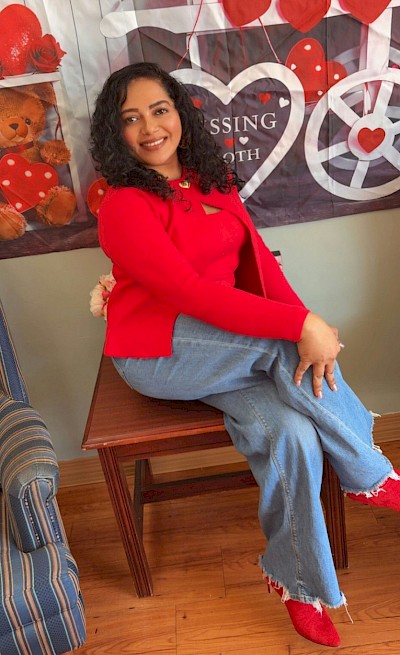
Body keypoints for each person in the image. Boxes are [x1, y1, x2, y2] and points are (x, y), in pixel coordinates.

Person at [90, 62, 400, 648]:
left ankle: (296, 583)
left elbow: (260, 269)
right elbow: (190, 294)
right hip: (157, 352)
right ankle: (370, 473)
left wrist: (306, 320)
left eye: (159, 110)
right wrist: (300, 327)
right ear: (116, 132)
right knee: (283, 342)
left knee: (293, 434)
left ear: (180, 113)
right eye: (131, 119)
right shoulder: (124, 206)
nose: (149, 128)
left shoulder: (212, 182)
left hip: (229, 349)